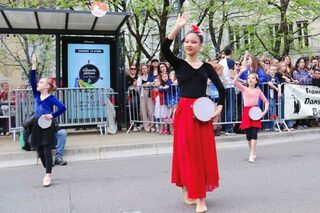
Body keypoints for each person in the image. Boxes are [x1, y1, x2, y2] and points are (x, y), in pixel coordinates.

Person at [161, 13, 225, 213]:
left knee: (201, 155)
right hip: (184, 114)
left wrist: (218, 108)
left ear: (200, 45)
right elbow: (164, 49)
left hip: (203, 114)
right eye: (186, 41)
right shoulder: (179, 64)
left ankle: (199, 196)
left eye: (193, 41)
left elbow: (221, 91)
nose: (189, 44)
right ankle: (191, 192)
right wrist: (178, 26)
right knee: (185, 153)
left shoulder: (207, 67)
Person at [31, 55, 66, 187]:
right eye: (38, 82)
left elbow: (63, 108)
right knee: (39, 149)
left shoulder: (51, 98)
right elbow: (32, 80)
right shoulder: (36, 94)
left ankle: (48, 174)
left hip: (47, 125)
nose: (38, 84)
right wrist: (34, 66)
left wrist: (53, 115)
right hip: (36, 124)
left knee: (46, 148)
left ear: (46, 86)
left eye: (41, 82)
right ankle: (48, 167)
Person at [234, 66, 269, 163]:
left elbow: (266, 101)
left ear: (256, 81)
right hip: (246, 112)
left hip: (255, 112)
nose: (250, 79)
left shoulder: (258, 91)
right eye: (248, 78)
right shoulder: (244, 89)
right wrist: (240, 72)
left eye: (253, 78)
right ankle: (252, 151)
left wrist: (264, 112)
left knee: (254, 133)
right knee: (248, 135)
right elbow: (235, 82)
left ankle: (252, 153)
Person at [219, 46, 236, 135]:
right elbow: (231, 75)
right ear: (231, 52)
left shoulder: (220, 61)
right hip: (229, 85)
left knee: (224, 107)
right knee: (230, 107)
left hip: (222, 86)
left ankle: (224, 127)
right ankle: (229, 128)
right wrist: (240, 79)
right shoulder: (230, 61)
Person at [137, 64, 154, 132]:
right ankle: (146, 126)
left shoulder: (151, 77)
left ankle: (152, 125)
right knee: (143, 111)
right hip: (142, 94)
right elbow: (138, 87)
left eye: (145, 68)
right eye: (143, 68)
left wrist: (150, 83)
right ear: (141, 70)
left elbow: (154, 83)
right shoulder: (140, 77)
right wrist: (143, 85)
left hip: (149, 94)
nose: (144, 70)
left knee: (150, 110)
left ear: (147, 69)